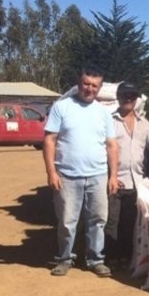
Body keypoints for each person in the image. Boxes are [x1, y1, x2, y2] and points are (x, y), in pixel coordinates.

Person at [44, 66, 118, 277]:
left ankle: (95, 260)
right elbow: (49, 140)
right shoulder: (62, 107)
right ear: (79, 83)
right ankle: (65, 259)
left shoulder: (104, 113)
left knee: (98, 220)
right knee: (67, 221)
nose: (89, 88)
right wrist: (51, 172)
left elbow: (112, 145)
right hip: (67, 175)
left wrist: (113, 176)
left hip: (98, 175)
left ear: (100, 88)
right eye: (86, 83)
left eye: (94, 85)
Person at [104, 82, 149, 270]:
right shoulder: (109, 121)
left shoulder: (145, 124)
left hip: (137, 182)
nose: (128, 99)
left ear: (137, 99)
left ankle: (126, 256)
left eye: (132, 96)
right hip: (115, 180)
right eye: (125, 95)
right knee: (111, 221)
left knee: (130, 222)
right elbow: (103, 151)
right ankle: (110, 257)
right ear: (118, 97)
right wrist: (110, 176)